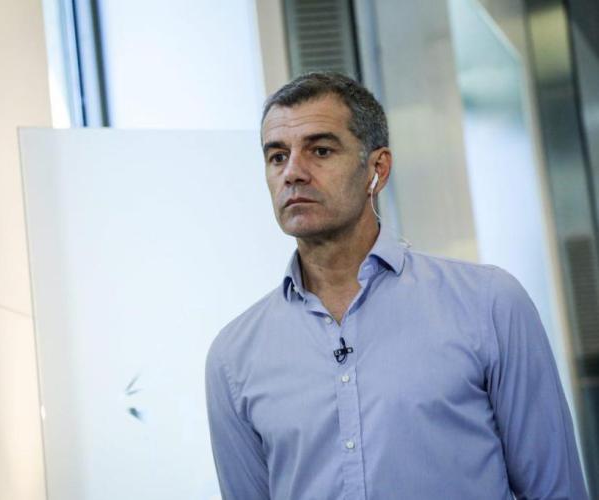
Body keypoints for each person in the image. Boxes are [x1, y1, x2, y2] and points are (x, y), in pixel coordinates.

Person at [204, 72, 588, 500]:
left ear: (378, 168)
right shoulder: (233, 358)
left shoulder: (489, 304)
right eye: (277, 156)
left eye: (320, 150)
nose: (293, 172)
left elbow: (556, 490)